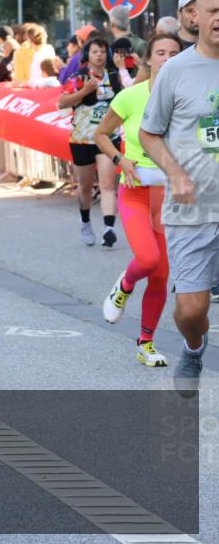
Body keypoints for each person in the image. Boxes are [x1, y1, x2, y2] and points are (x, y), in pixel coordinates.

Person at [139, 0, 219, 396]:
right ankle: (193, 346)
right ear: (197, 17)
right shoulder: (176, 70)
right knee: (191, 311)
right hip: (192, 211)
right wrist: (176, 173)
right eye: (213, 10)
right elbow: (149, 134)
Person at [96, 33, 183, 368]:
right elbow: (100, 135)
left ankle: (146, 342)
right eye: (160, 52)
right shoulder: (131, 97)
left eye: (174, 52)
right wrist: (121, 160)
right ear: (148, 59)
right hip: (134, 191)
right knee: (147, 259)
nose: (167, 58)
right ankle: (125, 284)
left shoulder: (186, 99)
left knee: (161, 275)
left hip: (170, 196)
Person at [58, 36, 123, 247]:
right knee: (85, 185)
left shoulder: (114, 76)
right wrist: (85, 91)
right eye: (95, 51)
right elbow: (61, 102)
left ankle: (109, 228)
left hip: (107, 137)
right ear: (87, 54)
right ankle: (85, 220)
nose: (99, 55)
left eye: (103, 51)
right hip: (82, 139)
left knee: (107, 184)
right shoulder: (79, 77)